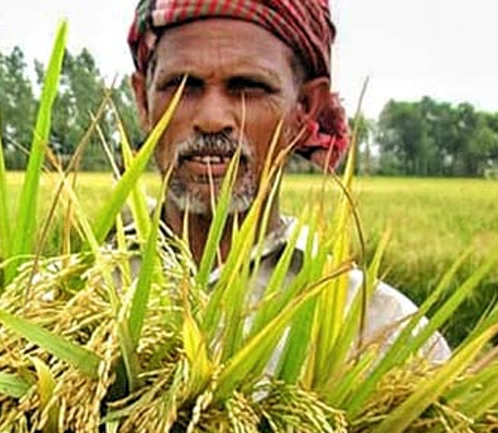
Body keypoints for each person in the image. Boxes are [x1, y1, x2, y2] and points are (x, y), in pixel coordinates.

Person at [125, 0, 450, 362]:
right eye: (183, 86)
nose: (212, 119)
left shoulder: (383, 336)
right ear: (142, 100)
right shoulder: (65, 303)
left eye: (248, 87)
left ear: (305, 108)